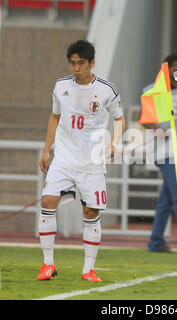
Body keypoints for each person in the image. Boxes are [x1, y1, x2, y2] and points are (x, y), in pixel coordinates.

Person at [38, 40, 125, 281]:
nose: (76, 68)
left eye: (81, 63)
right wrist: (47, 150)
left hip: (92, 162)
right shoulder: (61, 86)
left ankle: (88, 269)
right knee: (48, 200)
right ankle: (48, 264)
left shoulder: (107, 89)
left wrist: (115, 141)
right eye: (73, 63)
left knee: (90, 211)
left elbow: (119, 119)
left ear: (92, 63)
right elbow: (54, 117)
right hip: (64, 158)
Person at [141, 53, 177, 254]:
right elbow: (144, 119)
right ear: (166, 68)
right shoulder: (153, 90)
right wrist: (157, 128)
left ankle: (156, 241)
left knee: (166, 199)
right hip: (163, 151)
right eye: (174, 66)